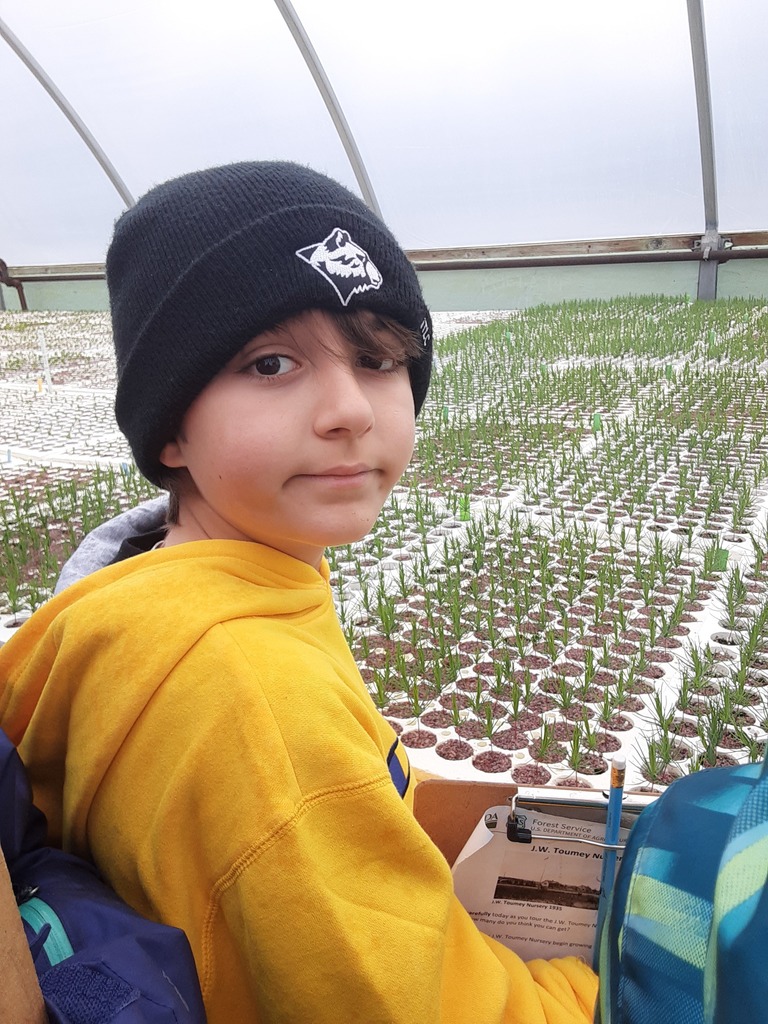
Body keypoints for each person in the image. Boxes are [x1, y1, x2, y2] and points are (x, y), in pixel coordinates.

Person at [0, 161, 597, 1023]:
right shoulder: (256, 705)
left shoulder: (156, 584)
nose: (349, 407)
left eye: (378, 356)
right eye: (271, 362)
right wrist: (601, 988)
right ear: (169, 425)